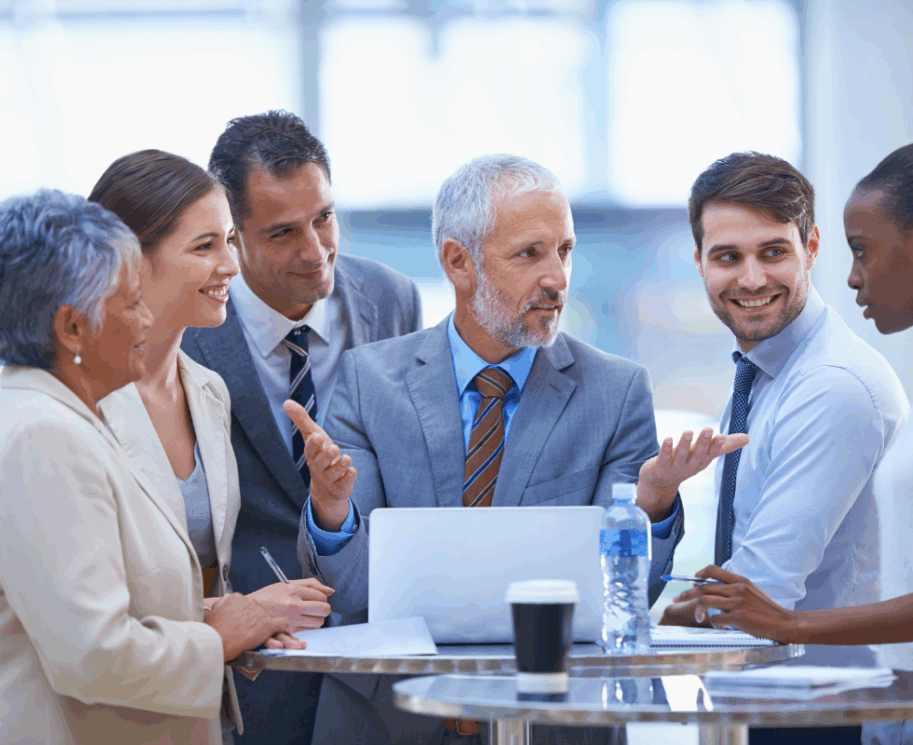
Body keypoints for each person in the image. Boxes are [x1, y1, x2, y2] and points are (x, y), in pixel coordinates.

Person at [292, 154, 747, 745]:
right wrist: (331, 510)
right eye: (530, 254)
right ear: (459, 262)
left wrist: (654, 500)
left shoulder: (615, 391)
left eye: (565, 250)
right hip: (386, 719)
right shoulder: (369, 380)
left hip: (556, 719)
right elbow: (353, 592)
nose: (557, 277)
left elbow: (626, 608)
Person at [679, 140, 913, 745]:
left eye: (863, 252)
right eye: (726, 256)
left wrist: (790, 621)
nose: (852, 278)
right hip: (904, 710)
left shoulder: (843, 383)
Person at [0, 190, 291, 745]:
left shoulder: (61, 420)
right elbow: (93, 653)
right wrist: (219, 636)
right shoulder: (46, 438)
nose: (148, 320)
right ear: (72, 329)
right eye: (131, 302)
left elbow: (86, 602)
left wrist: (235, 613)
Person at [181, 110, 423, 744]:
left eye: (324, 217)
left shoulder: (392, 298)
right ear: (232, 238)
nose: (316, 251)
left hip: (378, 652)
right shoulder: (192, 326)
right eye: (284, 232)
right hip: (255, 660)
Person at [660, 152, 909, 744]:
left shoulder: (832, 387)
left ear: (812, 246)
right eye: (728, 257)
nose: (750, 280)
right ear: (699, 262)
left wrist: (653, 614)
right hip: (772, 705)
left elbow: (759, 591)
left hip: (828, 717)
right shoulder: (765, 371)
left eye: (773, 251)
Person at [89, 150, 334, 739]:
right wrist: (229, 621)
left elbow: (201, 581)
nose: (231, 263)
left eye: (229, 240)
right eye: (205, 248)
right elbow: (79, 616)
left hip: (191, 716)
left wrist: (252, 621)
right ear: (129, 261)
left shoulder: (207, 391)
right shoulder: (81, 402)